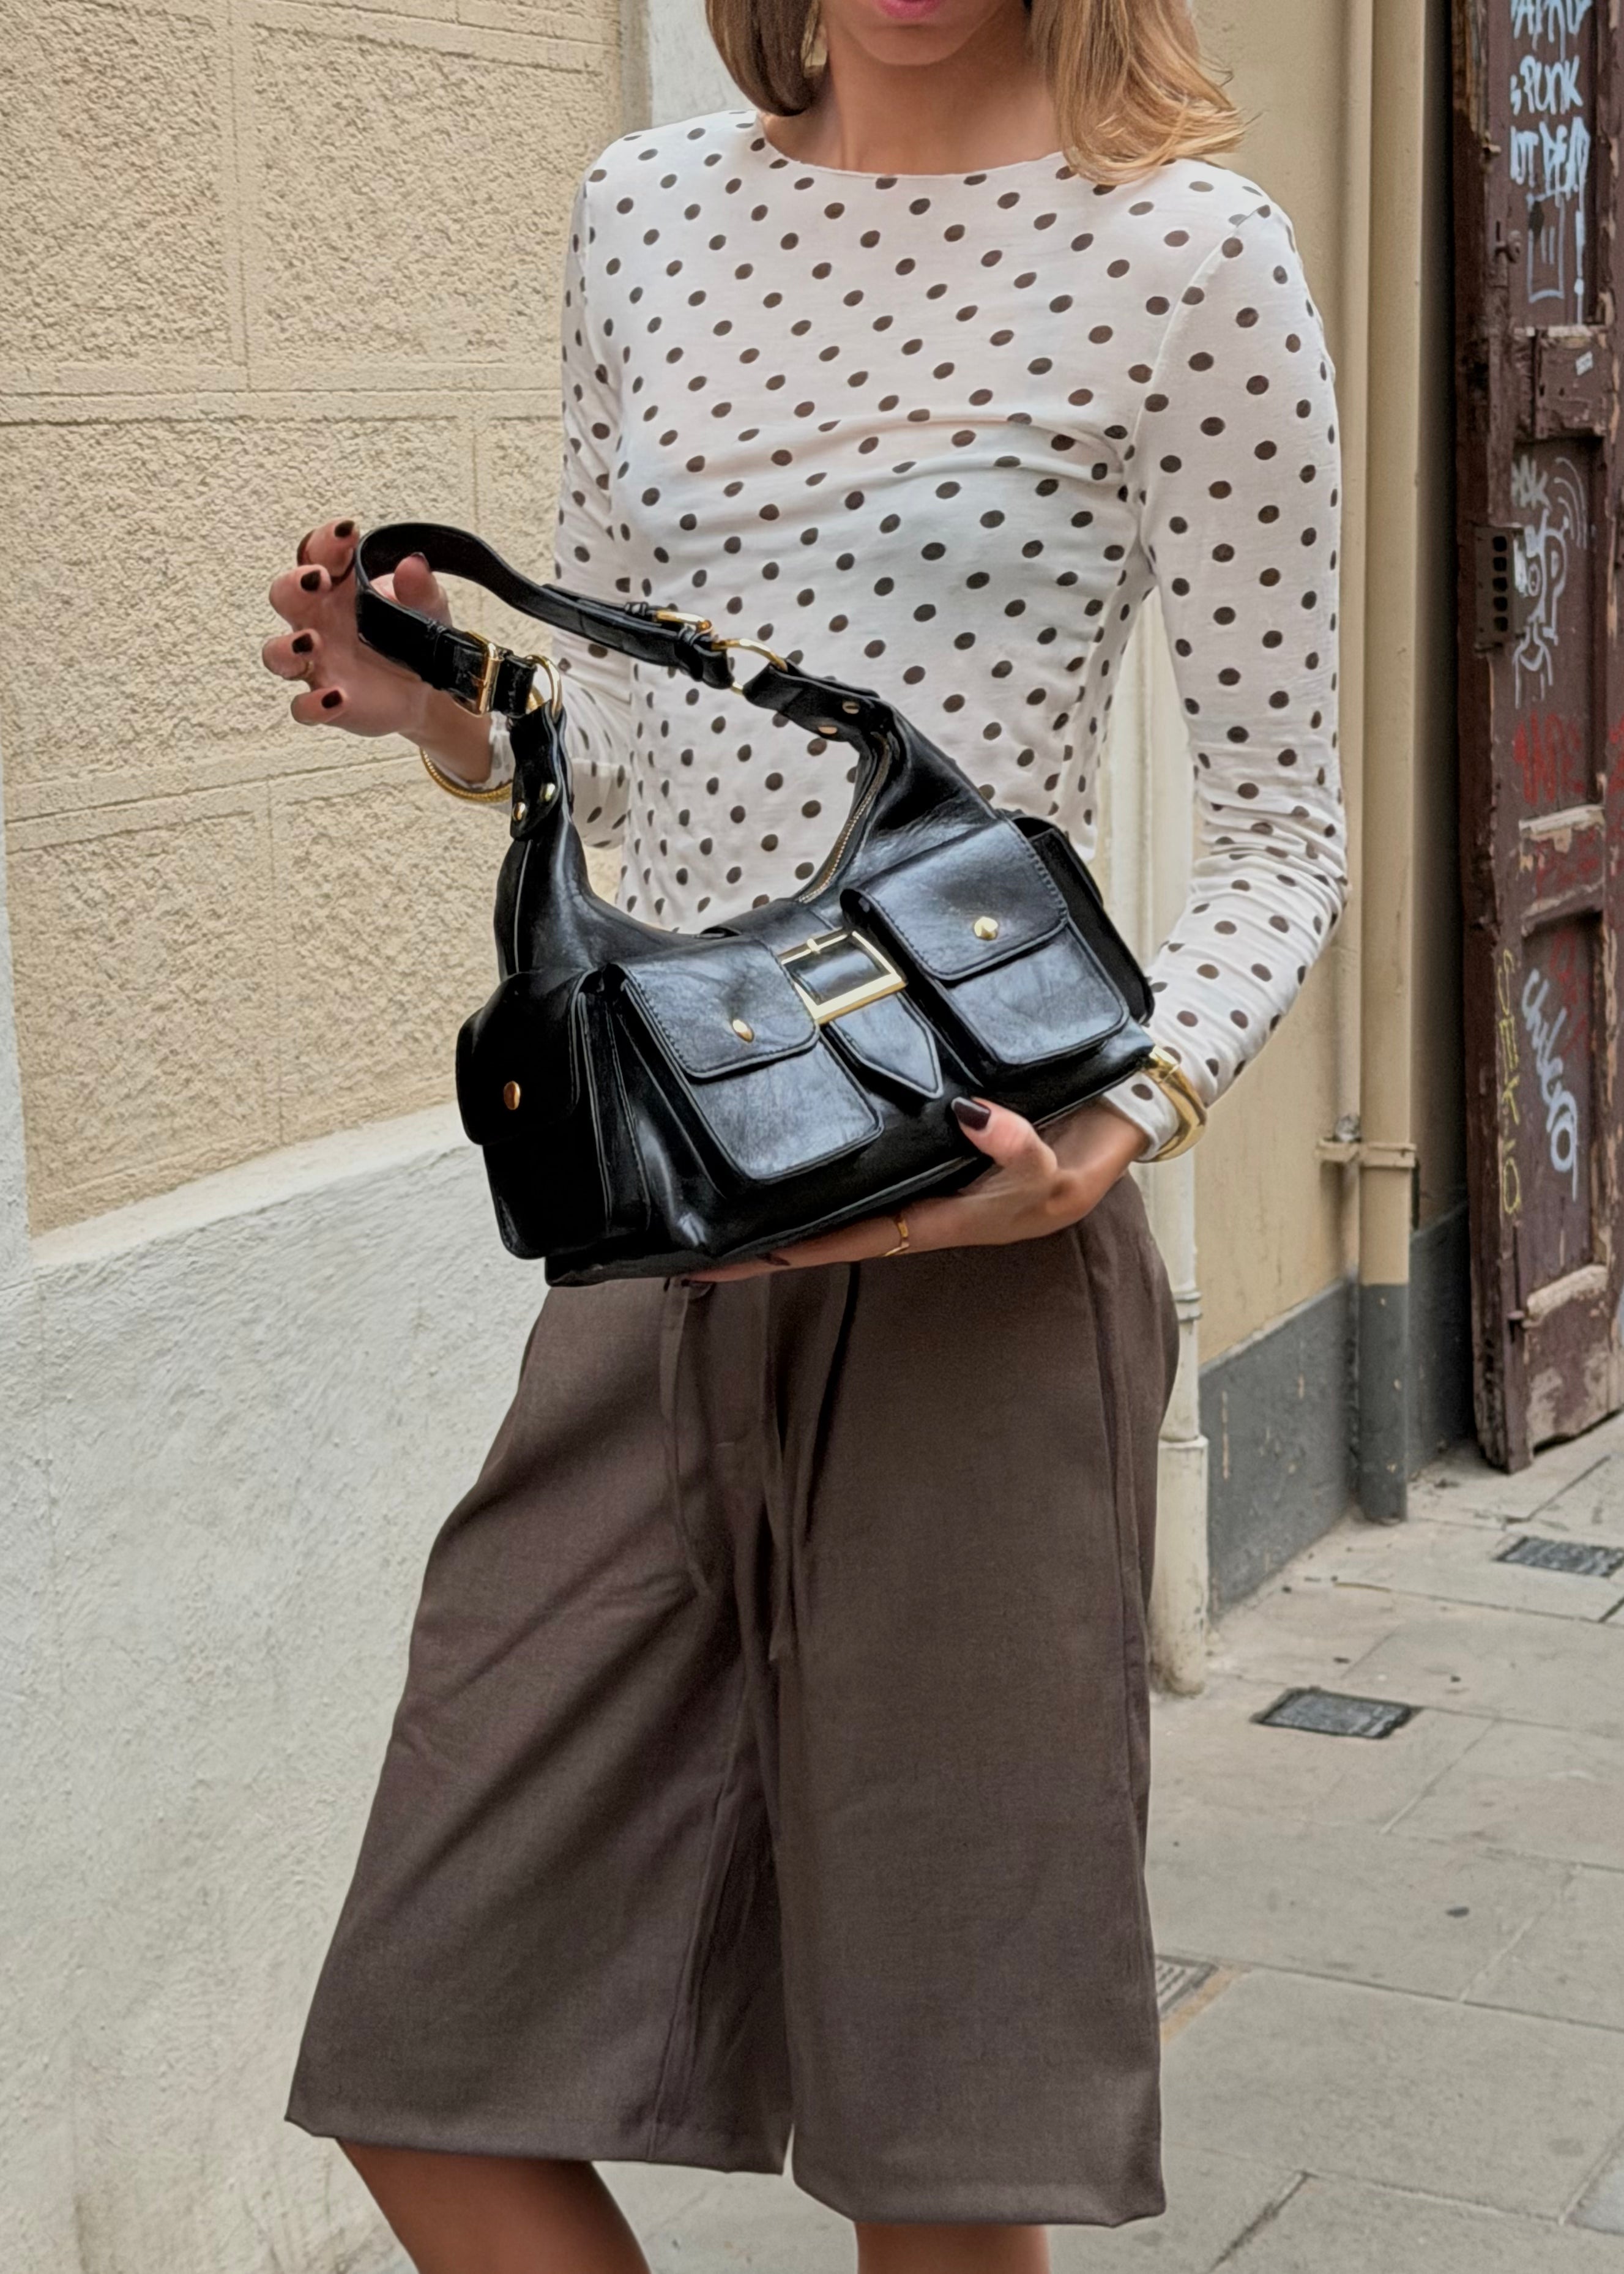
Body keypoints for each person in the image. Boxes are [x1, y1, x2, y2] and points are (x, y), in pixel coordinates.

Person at [263, 2, 1347, 2267]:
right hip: (663, 1228)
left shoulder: (1191, 253)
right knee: (424, 2042)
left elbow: (1285, 833)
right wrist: (447, 710)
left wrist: (1120, 1123)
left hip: (978, 1252)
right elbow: (624, 728)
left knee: (941, 2141)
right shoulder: (644, 212)